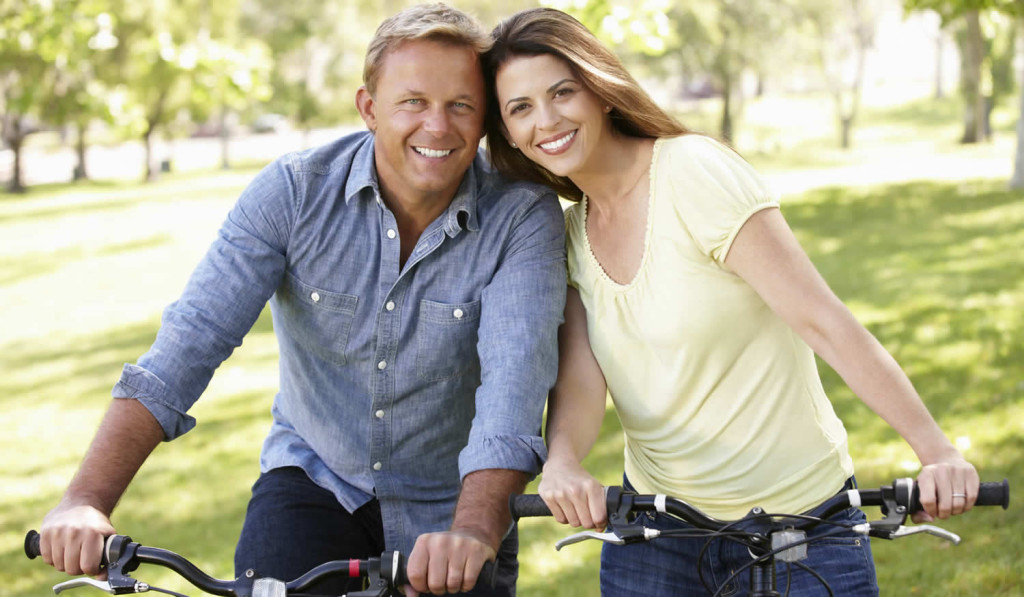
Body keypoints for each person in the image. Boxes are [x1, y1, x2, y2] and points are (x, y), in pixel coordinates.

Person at [37, 4, 567, 596]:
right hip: (317, 480)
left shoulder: (522, 216)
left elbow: (513, 389)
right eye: (413, 102)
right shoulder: (293, 193)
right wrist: (85, 500)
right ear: (369, 108)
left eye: (460, 105)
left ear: (485, 115)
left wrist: (473, 531)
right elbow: (189, 343)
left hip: (456, 501)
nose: (437, 127)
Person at [482, 7, 979, 596]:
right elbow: (584, 383)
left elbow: (823, 321)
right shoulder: (569, 235)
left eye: (562, 92)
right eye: (521, 108)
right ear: (509, 132)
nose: (547, 119)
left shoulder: (691, 172)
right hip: (658, 538)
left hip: (800, 525)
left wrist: (936, 451)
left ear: (601, 90)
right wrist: (562, 461)